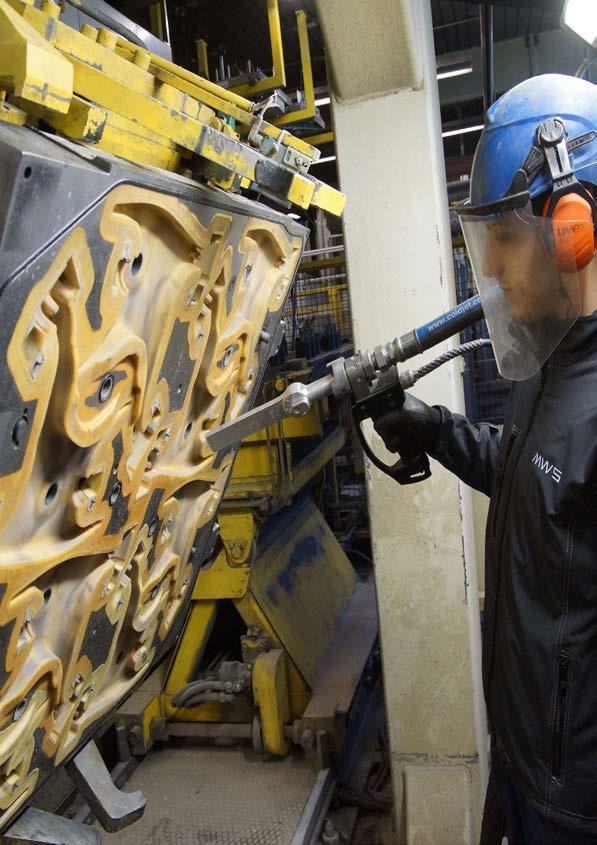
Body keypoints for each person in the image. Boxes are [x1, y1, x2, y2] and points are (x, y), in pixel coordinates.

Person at [373, 73, 597, 844]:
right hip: (522, 758)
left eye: (503, 238)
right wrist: (432, 429)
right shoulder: (552, 358)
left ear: (571, 228)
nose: (491, 270)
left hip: (575, 803)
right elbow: (528, 475)